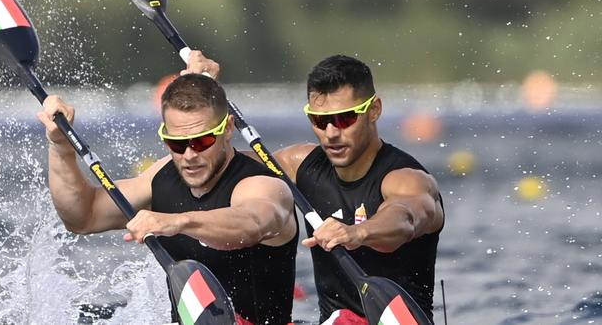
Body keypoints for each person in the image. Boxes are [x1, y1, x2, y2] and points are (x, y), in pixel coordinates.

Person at [184, 51, 444, 325]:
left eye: (345, 119)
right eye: (320, 121)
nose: (331, 133)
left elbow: (406, 217)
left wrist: (358, 232)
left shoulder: (407, 179)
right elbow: (217, 166)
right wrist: (200, 94)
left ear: (374, 109)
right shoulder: (300, 165)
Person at [37, 73, 299, 325]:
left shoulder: (259, 183)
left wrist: (178, 222)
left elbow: (252, 223)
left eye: (202, 140)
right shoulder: (161, 178)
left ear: (228, 128)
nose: (189, 155)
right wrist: (60, 147)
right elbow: (83, 216)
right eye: (176, 143)